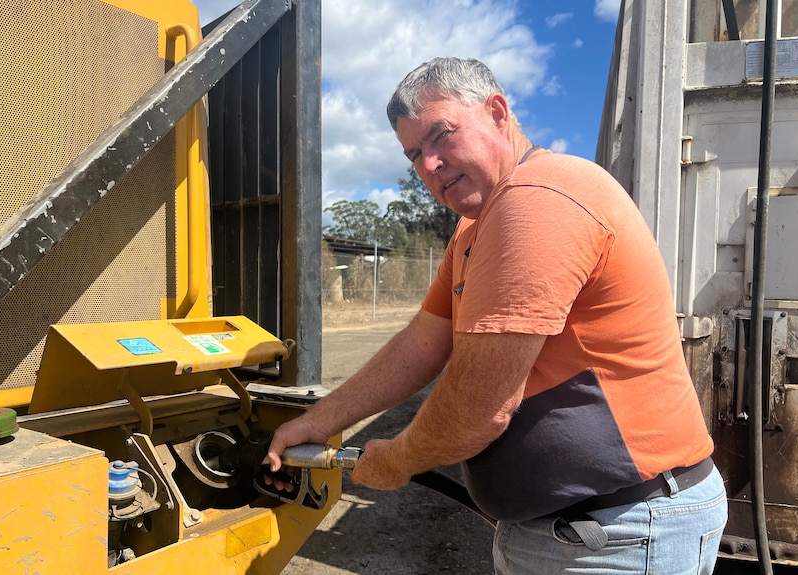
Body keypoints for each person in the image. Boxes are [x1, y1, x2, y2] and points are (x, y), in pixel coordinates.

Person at [267, 57, 727, 574]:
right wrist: (317, 422)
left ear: (498, 112)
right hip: (578, 531)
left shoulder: (538, 200)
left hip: (621, 530)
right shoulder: (472, 231)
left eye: (441, 135)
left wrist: (396, 460)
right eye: (414, 153)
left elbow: (479, 406)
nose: (430, 165)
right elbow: (420, 344)